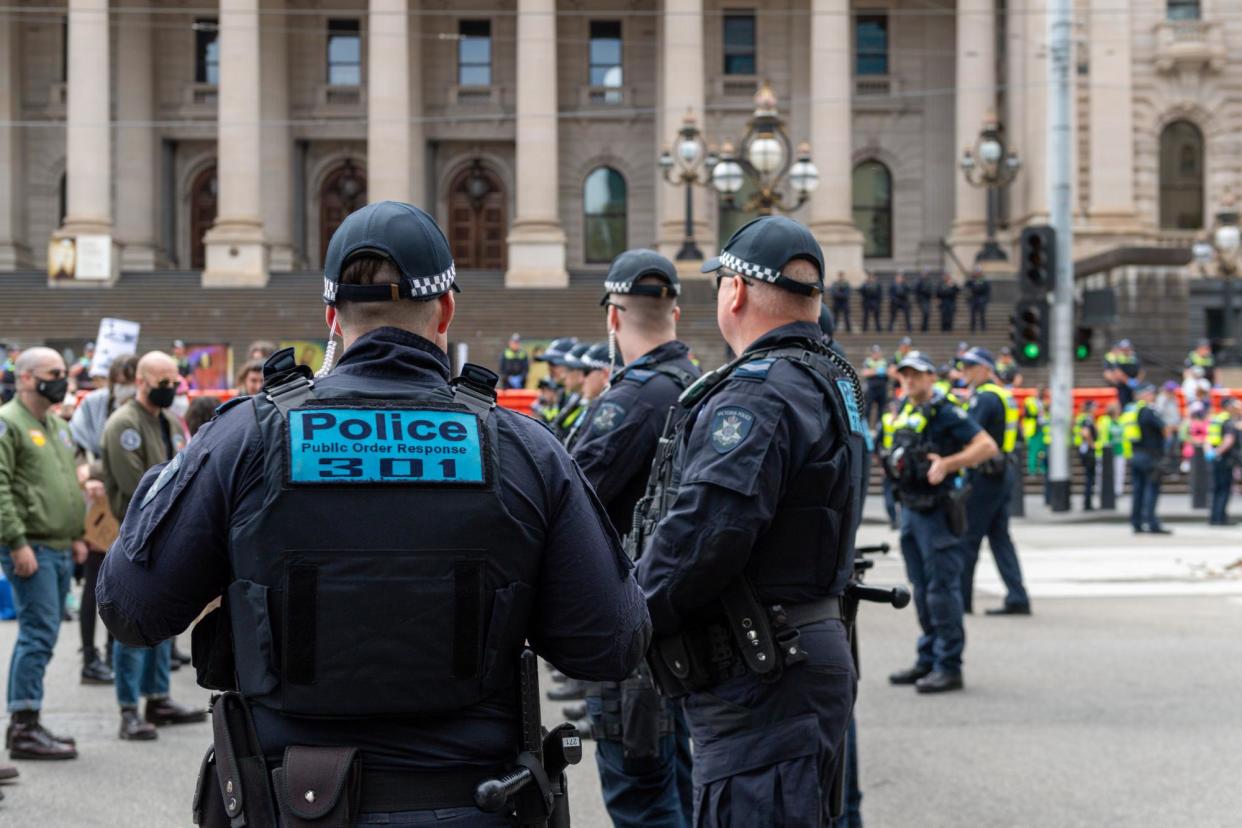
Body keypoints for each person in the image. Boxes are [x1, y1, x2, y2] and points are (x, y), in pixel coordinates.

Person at [97, 201, 650, 826]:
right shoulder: (525, 449)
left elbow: (131, 609)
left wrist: (160, 488)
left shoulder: (244, 439)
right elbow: (612, 643)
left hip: (294, 803)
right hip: (479, 802)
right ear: (445, 311)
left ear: (331, 317)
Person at [636, 215, 866, 825]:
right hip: (797, 653)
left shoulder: (758, 392)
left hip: (761, 673)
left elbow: (704, 533)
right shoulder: (829, 379)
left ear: (734, 291)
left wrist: (624, 616)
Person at [570, 249, 699, 828]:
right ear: (676, 310)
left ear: (613, 317)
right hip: (682, 627)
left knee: (641, 797)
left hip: (628, 634)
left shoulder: (627, 402)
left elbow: (566, 505)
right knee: (677, 786)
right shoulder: (700, 387)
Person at [100, 351, 203, 741]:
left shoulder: (171, 421)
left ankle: (157, 698)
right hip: (135, 536)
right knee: (130, 625)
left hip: (167, 536)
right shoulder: (123, 424)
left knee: (162, 620)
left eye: (174, 382)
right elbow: (138, 488)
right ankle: (129, 709)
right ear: (141, 381)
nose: (170, 389)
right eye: (163, 383)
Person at [886, 351, 997, 694]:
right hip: (911, 510)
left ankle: (948, 666)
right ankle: (928, 659)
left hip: (937, 512)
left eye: (917, 374)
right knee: (921, 589)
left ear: (933, 377)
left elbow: (987, 446)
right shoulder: (905, 411)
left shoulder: (945, 411)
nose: (910, 380)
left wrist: (949, 463)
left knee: (941, 591)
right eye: (905, 374)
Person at [0, 347, 88, 761]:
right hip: (30, 546)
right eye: (54, 373)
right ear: (27, 378)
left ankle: (28, 721)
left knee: (45, 632)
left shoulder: (56, 425)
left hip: (56, 544)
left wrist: (75, 534)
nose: (62, 380)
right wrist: (16, 542)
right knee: (38, 633)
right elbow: (1, 489)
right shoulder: (8, 423)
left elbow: (66, 480)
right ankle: (23, 726)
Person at [68, 354, 139, 686]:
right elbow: (77, 448)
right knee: (93, 584)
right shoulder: (95, 404)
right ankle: (89, 655)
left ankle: (113, 649)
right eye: (121, 379)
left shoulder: (143, 410)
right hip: (98, 508)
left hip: (127, 508)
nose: (125, 385)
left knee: (119, 585)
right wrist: (86, 473)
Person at [957, 348, 1029, 616]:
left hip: (986, 475)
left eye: (971, 366)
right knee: (1000, 538)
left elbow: (968, 434)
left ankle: (962, 601)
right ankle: (1018, 596)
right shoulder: (1003, 395)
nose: (965, 371)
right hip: (1002, 472)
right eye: (964, 366)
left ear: (986, 369)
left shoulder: (985, 398)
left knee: (968, 537)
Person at [1122, 384, 1171, 534]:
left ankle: (1136, 522)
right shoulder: (1149, 411)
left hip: (1135, 454)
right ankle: (1151, 523)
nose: (1153, 396)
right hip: (1150, 456)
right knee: (1152, 489)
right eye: (1151, 393)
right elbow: (1164, 429)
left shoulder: (1131, 411)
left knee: (1138, 490)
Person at [1207, 397, 1239, 526]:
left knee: (1216, 488)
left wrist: (1212, 453)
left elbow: (1208, 438)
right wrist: (1218, 452)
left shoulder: (1216, 419)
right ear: (1228, 406)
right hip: (1225, 459)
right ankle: (1221, 518)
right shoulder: (1227, 421)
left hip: (1215, 458)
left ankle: (1214, 517)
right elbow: (1229, 441)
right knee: (1224, 489)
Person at [1103, 339, 1142, 407]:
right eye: (1124, 348)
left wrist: (1137, 381)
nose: (1126, 350)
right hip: (1122, 386)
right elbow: (1116, 371)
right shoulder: (1118, 358)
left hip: (1133, 386)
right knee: (1123, 404)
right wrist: (1128, 381)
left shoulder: (1134, 357)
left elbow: (1141, 370)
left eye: (1128, 348)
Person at [1075, 400, 1099, 511]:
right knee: (1089, 478)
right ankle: (1087, 503)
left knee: (1090, 478)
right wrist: (1092, 444)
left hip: (1086, 450)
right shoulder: (1087, 420)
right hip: (1088, 451)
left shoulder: (1086, 418)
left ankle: (1088, 502)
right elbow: (1085, 433)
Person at [862, 344, 889, 428]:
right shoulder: (868, 361)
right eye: (874, 352)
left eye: (877, 352)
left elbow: (889, 372)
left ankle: (879, 427)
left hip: (882, 388)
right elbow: (865, 372)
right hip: (871, 389)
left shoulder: (884, 362)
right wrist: (878, 371)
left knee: (881, 409)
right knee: (868, 408)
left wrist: (873, 371)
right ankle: (865, 427)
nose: (876, 354)